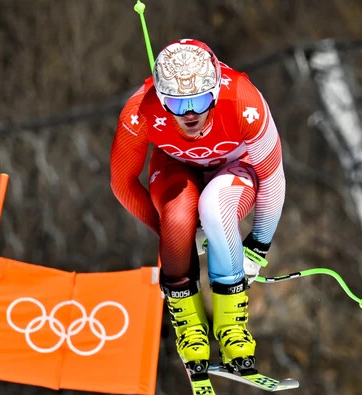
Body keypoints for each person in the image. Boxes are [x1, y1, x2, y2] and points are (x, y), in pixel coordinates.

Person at [109, 39, 285, 377]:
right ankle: (190, 330)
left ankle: (233, 330)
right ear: (161, 98)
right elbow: (123, 183)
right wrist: (174, 236)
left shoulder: (244, 100)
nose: (190, 113)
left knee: (216, 209)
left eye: (201, 100)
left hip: (234, 166)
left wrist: (258, 246)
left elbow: (273, 177)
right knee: (177, 218)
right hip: (177, 167)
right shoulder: (139, 110)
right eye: (176, 104)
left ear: (216, 91)